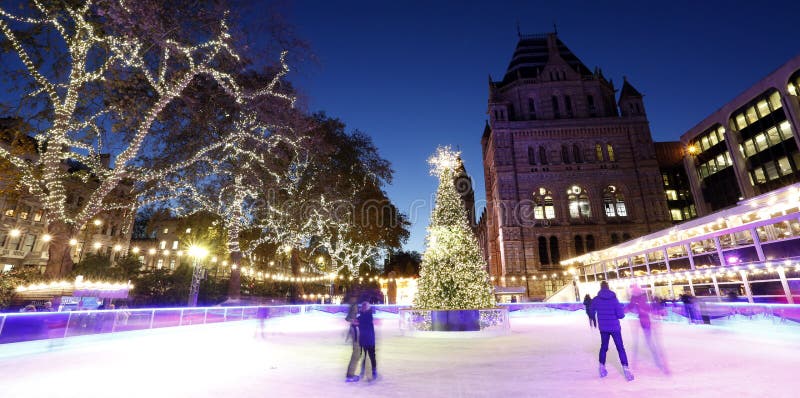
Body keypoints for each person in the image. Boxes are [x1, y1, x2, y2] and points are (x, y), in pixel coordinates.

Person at [591, 281, 633, 381]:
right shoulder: (614, 299)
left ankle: (601, 367)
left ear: (600, 288)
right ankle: (626, 369)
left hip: (604, 328)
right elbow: (621, 315)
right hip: (615, 328)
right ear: (608, 287)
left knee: (604, 347)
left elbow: (591, 310)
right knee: (620, 348)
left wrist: (595, 316)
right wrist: (621, 309)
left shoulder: (596, 299)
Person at [627, 285, 668, 373]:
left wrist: (659, 312)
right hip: (645, 322)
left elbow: (645, 308)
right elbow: (631, 307)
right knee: (649, 343)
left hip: (646, 323)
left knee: (652, 344)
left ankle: (663, 365)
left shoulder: (639, 299)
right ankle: (663, 365)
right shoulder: (637, 299)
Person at [357, 301, 377, 381]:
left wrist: (357, 321)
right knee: (364, 356)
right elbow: (357, 323)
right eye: (363, 307)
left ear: (367, 308)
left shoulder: (369, 316)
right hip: (363, 339)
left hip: (370, 339)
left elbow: (364, 322)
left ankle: (374, 370)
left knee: (372, 356)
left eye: (365, 307)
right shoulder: (361, 316)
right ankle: (362, 370)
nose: (363, 308)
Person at [344, 294, 361, 382]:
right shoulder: (353, 306)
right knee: (356, 354)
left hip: (355, 330)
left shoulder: (353, 306)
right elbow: (347, 318)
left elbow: (348, 318)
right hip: (355, 330)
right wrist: (354, 321)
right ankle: (350, 375)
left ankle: (350, 374)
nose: (354, 299)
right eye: (353, 297)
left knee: (356, 354)